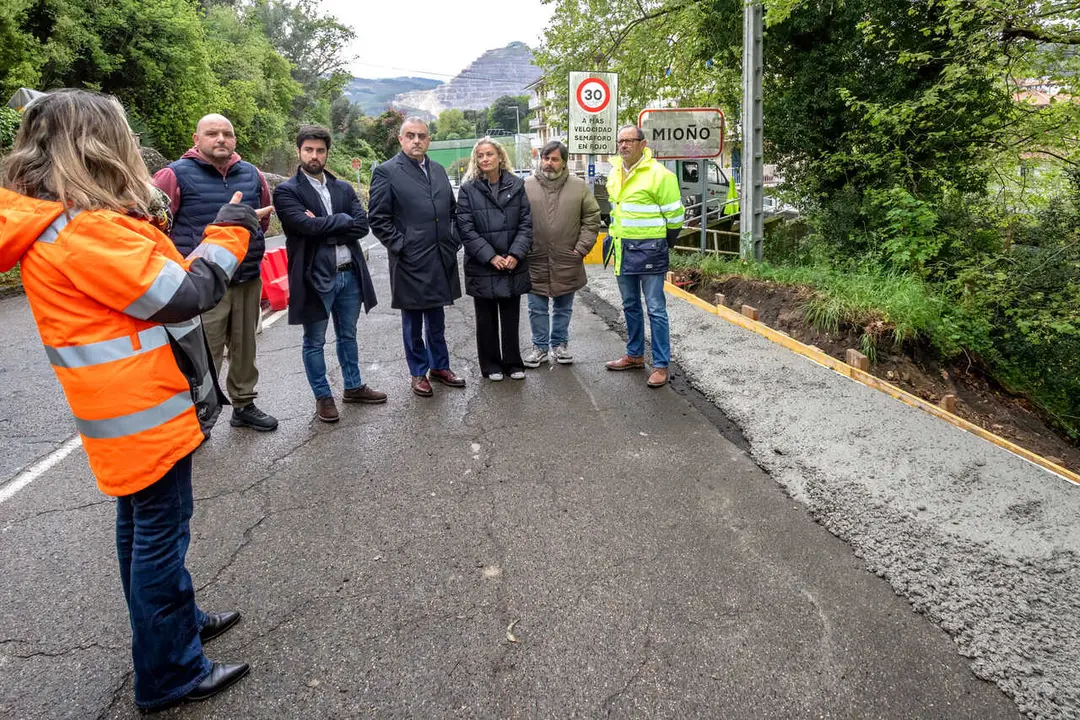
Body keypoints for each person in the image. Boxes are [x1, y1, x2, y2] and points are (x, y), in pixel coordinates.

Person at [0, 89, 252, 712]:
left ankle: (178, 624)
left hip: (125, 411)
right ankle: (171, 672)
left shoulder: (61, 221)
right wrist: (231, 234)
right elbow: (184, 295)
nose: (132, 148)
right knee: (160, 537)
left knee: (142, 529)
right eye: (122, 137)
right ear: (94, 147)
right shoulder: (85, 230)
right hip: (147, 412)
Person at [153, 114, 278, 431]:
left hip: (247, 276)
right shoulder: (173, 174)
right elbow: (154, 227)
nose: (221, 139)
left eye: (227, 133)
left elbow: (260, 221)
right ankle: (197, 415)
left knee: (245, 346)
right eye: (212, 133)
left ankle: (244, 404)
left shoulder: (251, 174)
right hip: (199, 283)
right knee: (201, 352)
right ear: (196, 139)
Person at [272, 125, 385, 423]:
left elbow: (362, 226)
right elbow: (303, 226)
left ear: (326, 153)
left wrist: (325, 223)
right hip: (314, 277)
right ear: (299, 151)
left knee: (348, 334)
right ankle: (323, 397)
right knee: (315, 340)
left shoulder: (343, 188)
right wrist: (341, 221)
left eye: (320, 150)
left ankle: (353, 386)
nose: (314, 155)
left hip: (349, 274)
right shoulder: (287, 191)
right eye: (308, 149)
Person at [368, 117, 467, 397]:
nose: (416, 141)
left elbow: (452, 211)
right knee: (413, 321)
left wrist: (453, 241)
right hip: (409, 260)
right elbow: (378, 219)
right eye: (410, 136)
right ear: (400, 139)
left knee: (437, 317)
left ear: (429, 140)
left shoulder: (436, 170)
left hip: (440, 256)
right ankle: (418, 372)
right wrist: (402, 246)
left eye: (422, 136)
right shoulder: (387, 172)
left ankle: (440, 366)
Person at [604, 124, 685, 388]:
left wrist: (665, 243)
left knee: (656, 309)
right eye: (620, 141)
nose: (624, 145)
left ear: (643, 144)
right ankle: (635, 355)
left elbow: (675, 216)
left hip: (651, 251)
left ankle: (661, 365)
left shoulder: (660, 175)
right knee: (630, 306)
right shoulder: (615, 172)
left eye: (629, 140)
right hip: (623, 249)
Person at [456, 138, 533, 381]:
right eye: (480, 155)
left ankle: (513, 363)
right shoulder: (468, 189)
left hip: (512, 263)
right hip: (483, 264)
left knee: (511, 318)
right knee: (486, 319)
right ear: (475, 160)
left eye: (490, 154)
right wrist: (490, 256)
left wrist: (514, 254)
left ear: (500, 157)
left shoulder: (518, 185)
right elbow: (465, 228)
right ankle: (491, 365)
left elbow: (526, 224)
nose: (485, 159)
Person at [522, 140, 601, 368]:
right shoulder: (526, 185)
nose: (549, 163)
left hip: (568, 257)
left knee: (563, 307)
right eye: (546, 158)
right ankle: (539, 348)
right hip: (535, 258)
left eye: (555, 159)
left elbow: (592, 217)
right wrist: (524, 248)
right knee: (536, 307)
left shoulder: (578, 186)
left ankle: (559, 345)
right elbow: (516, 219)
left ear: (564, 162)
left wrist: (581, 248)